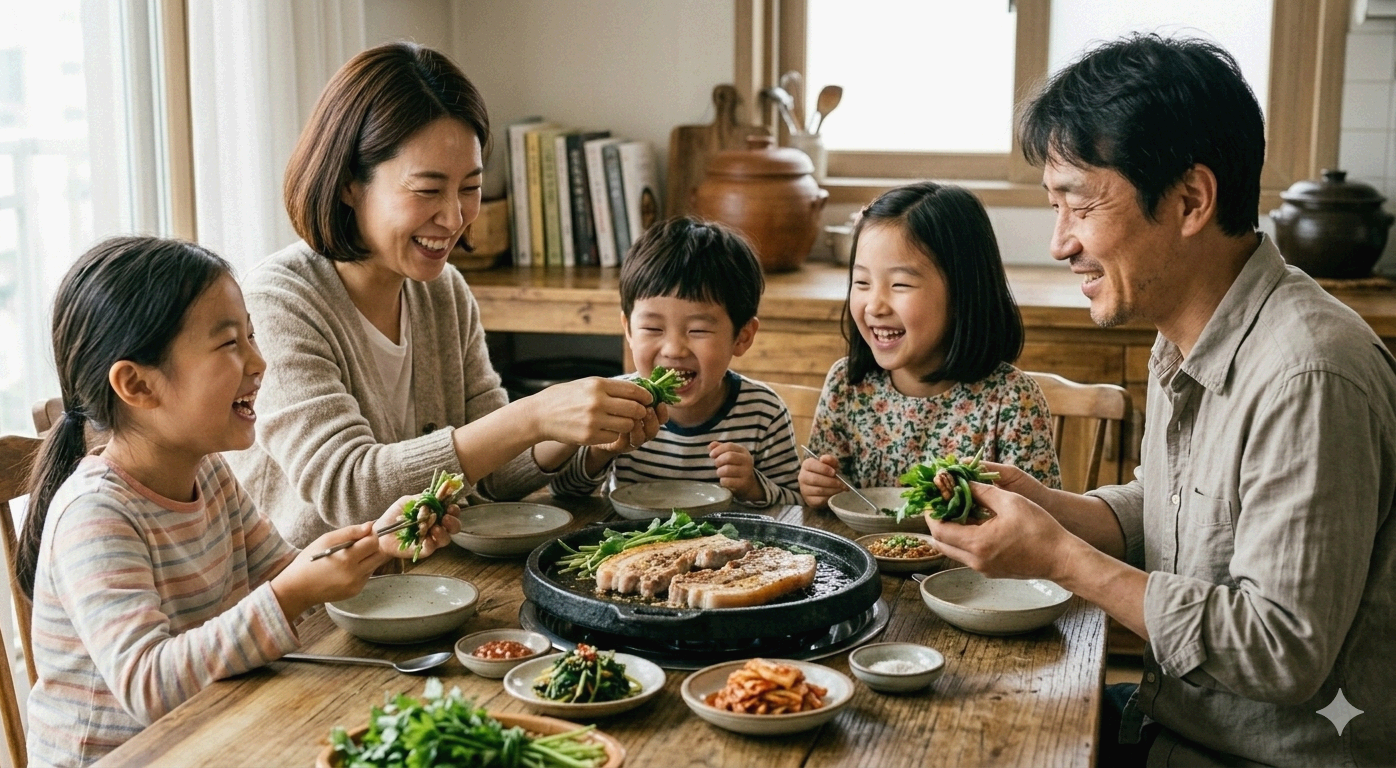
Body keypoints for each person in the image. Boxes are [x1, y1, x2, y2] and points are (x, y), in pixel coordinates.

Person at [926, 34, 1396, 766]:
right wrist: (1052, 507)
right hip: (1169, 716)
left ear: (1190, 200)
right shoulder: (1186, 331)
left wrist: (1060, 559)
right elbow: (1174, 506)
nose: (1059, 243)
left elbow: (1280, 650)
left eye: (1078, 206)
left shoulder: (1309, 374)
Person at [16, 237, 457, 768]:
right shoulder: (96, 514)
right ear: (136, 384)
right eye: (230, 344)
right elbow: (149, 685)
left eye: (250, 335)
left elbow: (291, 573)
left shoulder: (209, 472)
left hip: (211, 733)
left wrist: (381, 543)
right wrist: (290, 594)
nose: (259, 361)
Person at [230, 42, 660, 547]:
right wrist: (533, 414)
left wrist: (585, 436)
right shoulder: (277, 302)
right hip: (317, 608)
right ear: (350, 182)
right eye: (428, 189)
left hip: (428, 579)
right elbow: (350, 489)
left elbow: (495, 474)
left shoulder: (443, 291)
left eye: (470, 187)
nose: (455, 218)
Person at [798, 182, 1060, 511]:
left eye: (900, 284)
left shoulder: (1010, 400)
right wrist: (817, 489)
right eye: (862, 282)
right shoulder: (847, 385)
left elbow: (1041, 528)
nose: (874, 305)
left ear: (964, 291)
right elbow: (831, 504)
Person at [549, 217, 801, 506]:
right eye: (653, 329)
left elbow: (795, 504)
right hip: (633, 546)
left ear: (742, 337)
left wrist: (753, 487)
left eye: (698, 330)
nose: (673, 349)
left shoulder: (764, 413)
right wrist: (600, 453)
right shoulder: (614, 406)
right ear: (629, 330)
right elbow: (564, 493)